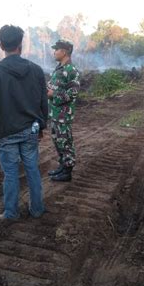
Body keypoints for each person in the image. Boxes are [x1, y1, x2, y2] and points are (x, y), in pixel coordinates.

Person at [0, 25, 48, 222]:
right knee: (32, 169)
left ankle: (11, 213)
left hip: (6, 133)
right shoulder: (36, 70)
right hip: (30, 131)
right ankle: (37, 209)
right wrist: (42, 126)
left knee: (10, 174)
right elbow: (42, 100)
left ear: (1, 45)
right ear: (21, 44)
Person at [47, 39, 80, 182]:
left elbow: (73, 94)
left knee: (65, 142)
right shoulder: (58, 68)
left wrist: (53, 95)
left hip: (63, 114)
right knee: (57, 141)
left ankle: (67, 171)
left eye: (57, 49)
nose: (54, 52)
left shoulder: (71, 71)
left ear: (64, 52)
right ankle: (62, 165)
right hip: (54, 113)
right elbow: (53, 86)